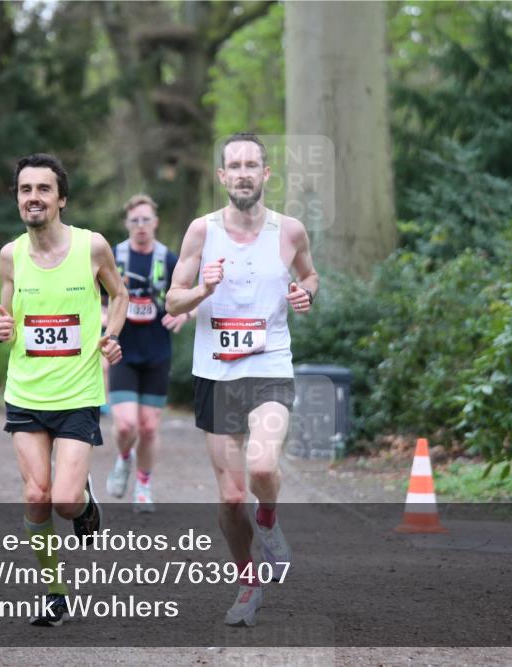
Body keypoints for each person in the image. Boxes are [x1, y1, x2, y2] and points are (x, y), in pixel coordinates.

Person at [165, 132, 319, 627]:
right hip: (216, 373)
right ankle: (248, 584)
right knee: (231, 498)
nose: (245, 172)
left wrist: (306, 294)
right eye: (235, 165)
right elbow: (173, 301)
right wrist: (203, 288)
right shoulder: (200, 232)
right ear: (223, 176)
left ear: (266, 174)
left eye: (253, 164)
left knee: (262, 464)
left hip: (269, 364)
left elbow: (310, 276)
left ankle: (269, 520)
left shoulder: (290, 230)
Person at [0, 153, 128, 627]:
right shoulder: (10, 256)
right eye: (25, 189)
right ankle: (54, 592)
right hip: (27, 392)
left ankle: (85, 503)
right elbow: (7, 315)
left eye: (43, 189)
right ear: (17, 198)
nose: (34, 197)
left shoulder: (91, 247)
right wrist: (5, 327)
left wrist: (110, 335)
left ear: (61, 199)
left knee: (65, 501)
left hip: (77, 394)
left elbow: (121, 294)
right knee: (36, 495)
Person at [103, 194, 191, 512]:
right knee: (126, 425)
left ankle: (143, 485)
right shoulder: (115, 256)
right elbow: (93, 295)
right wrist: (103, 316)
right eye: (135, 220)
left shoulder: (168, 258)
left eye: (146, 220)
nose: (141, 226)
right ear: (127, 224)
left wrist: (184, 314)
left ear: (156, 223)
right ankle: (123, 458)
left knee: (150, 427)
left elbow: (192, 294)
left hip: (157, 352)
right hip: (122, 352)